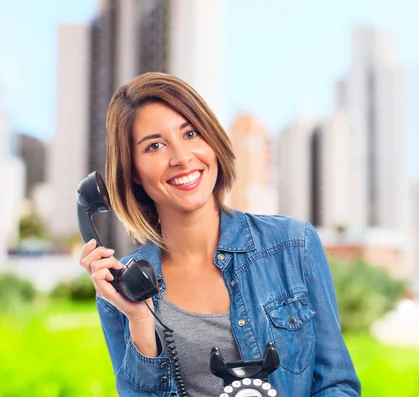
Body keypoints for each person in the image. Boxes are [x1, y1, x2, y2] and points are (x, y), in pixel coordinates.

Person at [79, 72, 361, 397]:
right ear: (132, 171)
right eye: (155, 146)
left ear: (212, 140)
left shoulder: (293, 244)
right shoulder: (124, 289)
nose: (181, 158)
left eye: (191, 133)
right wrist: (140, 320)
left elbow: (336, 385)